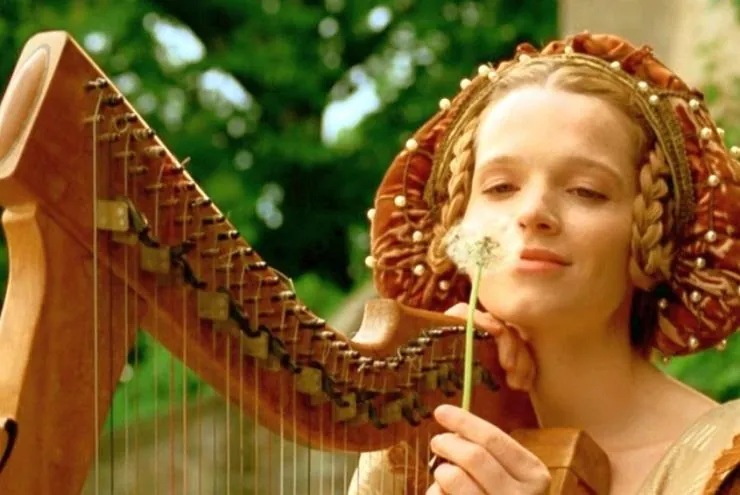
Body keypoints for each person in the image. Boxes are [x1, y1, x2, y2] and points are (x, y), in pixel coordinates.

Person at [350, 32, 740, 494]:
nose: (533, 211)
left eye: (586, 191)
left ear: (653, 236)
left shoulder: (723, 461)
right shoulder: (412, 450)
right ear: (456, 223)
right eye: (500, 187)